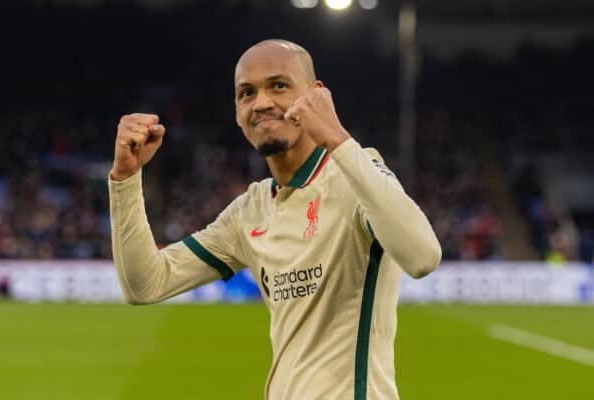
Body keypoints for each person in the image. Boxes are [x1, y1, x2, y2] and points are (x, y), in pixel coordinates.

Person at [108, 39, 442, 400]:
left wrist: (337, 137)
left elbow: (422, 257)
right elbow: (145, 284)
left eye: (279, 86)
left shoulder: (355, 175)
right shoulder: (250, 210)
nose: (262, 103)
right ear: (237, 112)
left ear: (317, 95)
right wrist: (125, 179)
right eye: (246, 93)